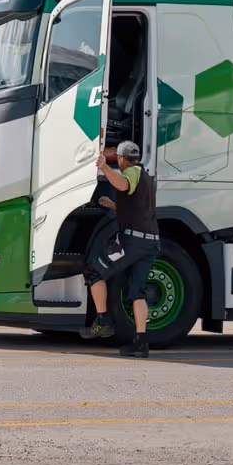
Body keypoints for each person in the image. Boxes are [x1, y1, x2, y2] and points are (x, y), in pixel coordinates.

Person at [83, 140, 159, 357]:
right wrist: (113, 205)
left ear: (122, 159)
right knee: (137, 293)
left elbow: (123, 185)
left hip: (132, 243)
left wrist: (104, 167)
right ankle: (141, 343)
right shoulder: (146, 177)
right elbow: (137, 209)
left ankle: (103, 321)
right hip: (150, 242)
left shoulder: (133, 172)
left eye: (118, 159)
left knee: (94, 271)